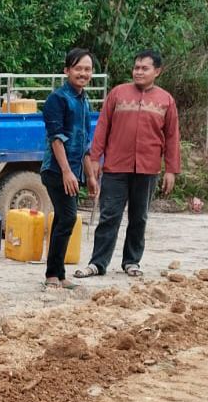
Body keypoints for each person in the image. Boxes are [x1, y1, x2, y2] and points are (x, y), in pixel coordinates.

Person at [75, 49, 180, 279]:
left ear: (157, 71)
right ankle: (97, 263)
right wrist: (95, 158)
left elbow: (172, 137)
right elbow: (102, 127)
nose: (139, 72)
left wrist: (171, 169)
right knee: (109, 216)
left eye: (145, 68)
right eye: (136, 67)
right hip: (115, 166)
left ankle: (131, 261)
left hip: (148, 167)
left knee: (139, 216)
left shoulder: (166, 101)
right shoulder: (118, 94)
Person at [40, 48, 96, 290]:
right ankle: (54, 274)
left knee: (64, 218)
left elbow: (84, 144)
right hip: (56, 169)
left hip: (74, 170)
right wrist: (66, 171)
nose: (83, 73)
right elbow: (56, 138)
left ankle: (57, 275)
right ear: (67, 71)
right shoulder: (57, 99)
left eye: (87, 69)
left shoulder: (84, 101)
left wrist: (91, 176)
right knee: (68, 217)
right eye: (78, 68)